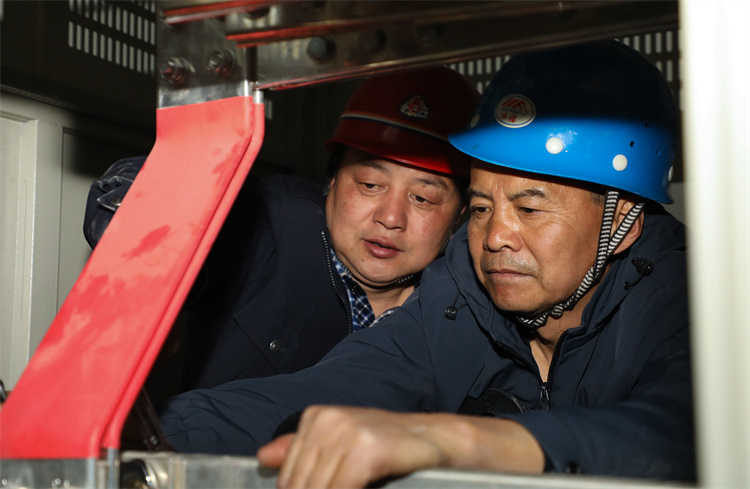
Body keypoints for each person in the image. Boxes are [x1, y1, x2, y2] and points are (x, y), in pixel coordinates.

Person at [157, 40, 694, 486]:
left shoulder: (689, 298)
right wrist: (158, 435)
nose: (495, 237)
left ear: (622, 220)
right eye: (480, 208)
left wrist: (458, 441)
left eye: (530, 209)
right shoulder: (459, 296)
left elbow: (691, 432)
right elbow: (336, 390)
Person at [84, 67, 479, 391]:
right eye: (370, 184)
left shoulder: (467, 305)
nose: (391, 217)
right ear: (331, 181)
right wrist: (147, 259)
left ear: (460, 216)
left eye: (423, 198)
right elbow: (145, 189)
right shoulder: (270, 231)